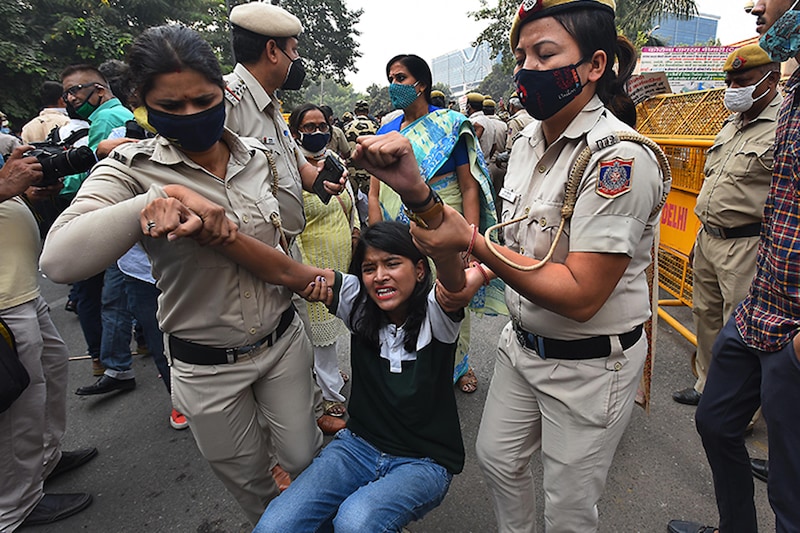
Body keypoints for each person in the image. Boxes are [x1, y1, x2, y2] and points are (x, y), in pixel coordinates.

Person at [39, 24, 336, 525]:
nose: (192, 115)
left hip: (283, 345)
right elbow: (59, 262)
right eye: (171, 107)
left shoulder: (257, 156)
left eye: (203, 99)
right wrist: (157, 200)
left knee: (306, 460)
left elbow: (286, 228)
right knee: (253, 487)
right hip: (207, 367)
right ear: (143, 105)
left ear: (223, 92)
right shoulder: (131, 170)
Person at [400, 0, 668, 530]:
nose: (527, 70)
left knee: (569, 507)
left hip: (588, 366)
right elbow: (524, 247)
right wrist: (477, 274)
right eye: (521, 55)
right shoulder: (525, 141)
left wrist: (473, 245)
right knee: (499, 460)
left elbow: (582, 293)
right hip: (521, 346)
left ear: (595, 66)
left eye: (545, 54)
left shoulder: (618, 158)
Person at [667, 0, 800, 531]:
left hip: (782, 305)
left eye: (742, 74)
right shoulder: (786, 102)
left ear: (765, 78)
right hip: (761, 292)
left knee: (791, 480)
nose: (754, 6)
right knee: (716, 421)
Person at [253, 221, 465, 533]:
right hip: (357, 447)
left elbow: (453, 277)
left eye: (392, 263)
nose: (380, 276)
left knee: (356, 521)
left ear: (420, 270)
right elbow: (286, 271)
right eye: (369, 268)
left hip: (425, 461)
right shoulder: (358, 302)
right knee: (274, 526)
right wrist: (219, 233)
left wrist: (417, 198)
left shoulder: (437, 313)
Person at [224, 0, 347, 438]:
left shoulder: (271, 106)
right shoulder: (225, 102)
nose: (297, 61)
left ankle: (310, 411)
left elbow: (293, 164)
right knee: (264, 339)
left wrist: (319, 182)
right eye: (294, 51)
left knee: (294, 330)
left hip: (284, 244)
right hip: (247, 252)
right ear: (273, 51)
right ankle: (274, 437)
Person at [369, 53, 506, 394]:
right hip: (400, 231)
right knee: (407, 298)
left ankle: (459, 366)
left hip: (445, 222)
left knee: (450, 293)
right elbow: (375, 192)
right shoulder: (386, 130)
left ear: (422, 84)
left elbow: (468, 186)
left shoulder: (449, 124)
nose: (393, 85)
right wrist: (376, 240)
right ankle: (417, 364)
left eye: (400, 78)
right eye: (391, 78)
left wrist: (470, 242)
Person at [672, 44, 781, 408]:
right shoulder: (732, 124)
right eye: (730, 80)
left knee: (741, 328)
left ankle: (738, 408)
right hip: (709, 237)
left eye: (743, 80)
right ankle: (707, 386)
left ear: (772, 79)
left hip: (749, 244)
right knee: (705, 315)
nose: (733, 88)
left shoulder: (785, 124)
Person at [0, 145, 97, 531]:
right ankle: (14, 506)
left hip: (21, 290)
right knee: (17, 406)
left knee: (51, 375)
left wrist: (26, 192)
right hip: (4, 305)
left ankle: (44, 460)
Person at [59, 63, 134, 380]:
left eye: (75, 90)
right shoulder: (122, 116)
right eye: (66, 93)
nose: (71, 99)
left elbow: (99, 174)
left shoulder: (104, 120)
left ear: (99, 89)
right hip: (131, 213)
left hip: (109, 213)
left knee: (109, 294)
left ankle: (112, 364)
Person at [289, 103, 360, 420]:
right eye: (309, 127)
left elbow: (350, 202)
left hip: (342, 258)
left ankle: (327, 375)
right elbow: (290, 226)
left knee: (338, 324)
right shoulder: (291, 172)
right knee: (321, 334)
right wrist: (299, 271)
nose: (317, 133)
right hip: (313, 265)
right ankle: (328, 396)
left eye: (322, 126)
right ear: (295, 133)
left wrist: (357, 230)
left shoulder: (334, 162)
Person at [344, 99, 378, 225]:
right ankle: (371, 225)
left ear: (355, 111)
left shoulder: (347, 126)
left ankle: (353, 225)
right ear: (368, 111)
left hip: (352, 170)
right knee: (372, 198)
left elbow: (344, 150)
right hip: (370, 171)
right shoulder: (376, 126)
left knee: (352, 200)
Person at [465, 92, 493, 159]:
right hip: (487, 163)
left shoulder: (471, 122)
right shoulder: (490, 122)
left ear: (468, 106)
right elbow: (494, 147)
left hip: (475, 165)